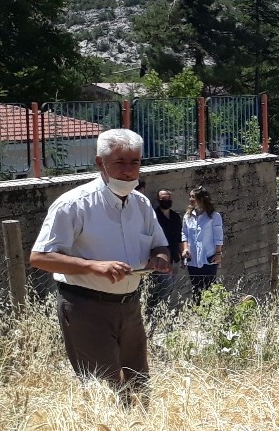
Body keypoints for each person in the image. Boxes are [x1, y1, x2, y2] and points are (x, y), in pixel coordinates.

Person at [28, 129, 173, 400]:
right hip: (86, 308)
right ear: (99, 163)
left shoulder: (141, 204)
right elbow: (40, 257)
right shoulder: (74, 205)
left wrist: (161, 258)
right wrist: (95, 267)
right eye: (120, 162)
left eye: (135, 162)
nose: (129, 171)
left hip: (130, 307)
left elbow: (160, 244)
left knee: (139, 386)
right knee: (105, 391)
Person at [182, 185, 224, 297]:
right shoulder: (187, 216)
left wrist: (218, 253)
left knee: (209, 289)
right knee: (196, 288)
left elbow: (218, 237)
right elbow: (184, 234)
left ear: (201, 199)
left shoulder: (214, 216)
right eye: (190, 197)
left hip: (208, 257)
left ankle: (210, 312)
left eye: (193, 197)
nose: (190, 199)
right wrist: (185, 248)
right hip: (193, 258)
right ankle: (197, 311)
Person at [151, 188, 183, 307]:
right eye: (164, 199)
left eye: (169, 198)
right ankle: (153, 312)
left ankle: (162, 315)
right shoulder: (154, 217)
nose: (167, 201)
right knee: (164, 287)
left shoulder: (175, 216)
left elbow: (180, 237)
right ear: (158, 200)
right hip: (161, 260)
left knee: (170, 289)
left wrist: (182, 254)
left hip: (175, 258)